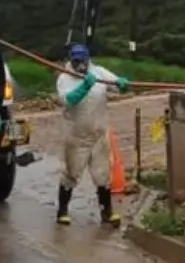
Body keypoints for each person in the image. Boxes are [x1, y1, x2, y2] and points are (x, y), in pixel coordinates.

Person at [55, 44, 129, 225]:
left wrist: (121, 83)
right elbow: (69, 101)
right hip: (77, 136)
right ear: (72, 61)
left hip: (99, 134)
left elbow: (116, 85)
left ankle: (107, 212)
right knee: (72, 173)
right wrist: (84, 87)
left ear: (89, 60)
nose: (81, 65)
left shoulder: (100, 73)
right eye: (77, 61)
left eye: (83, 61)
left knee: (103, 174)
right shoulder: (65, 78)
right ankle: (62, 211)